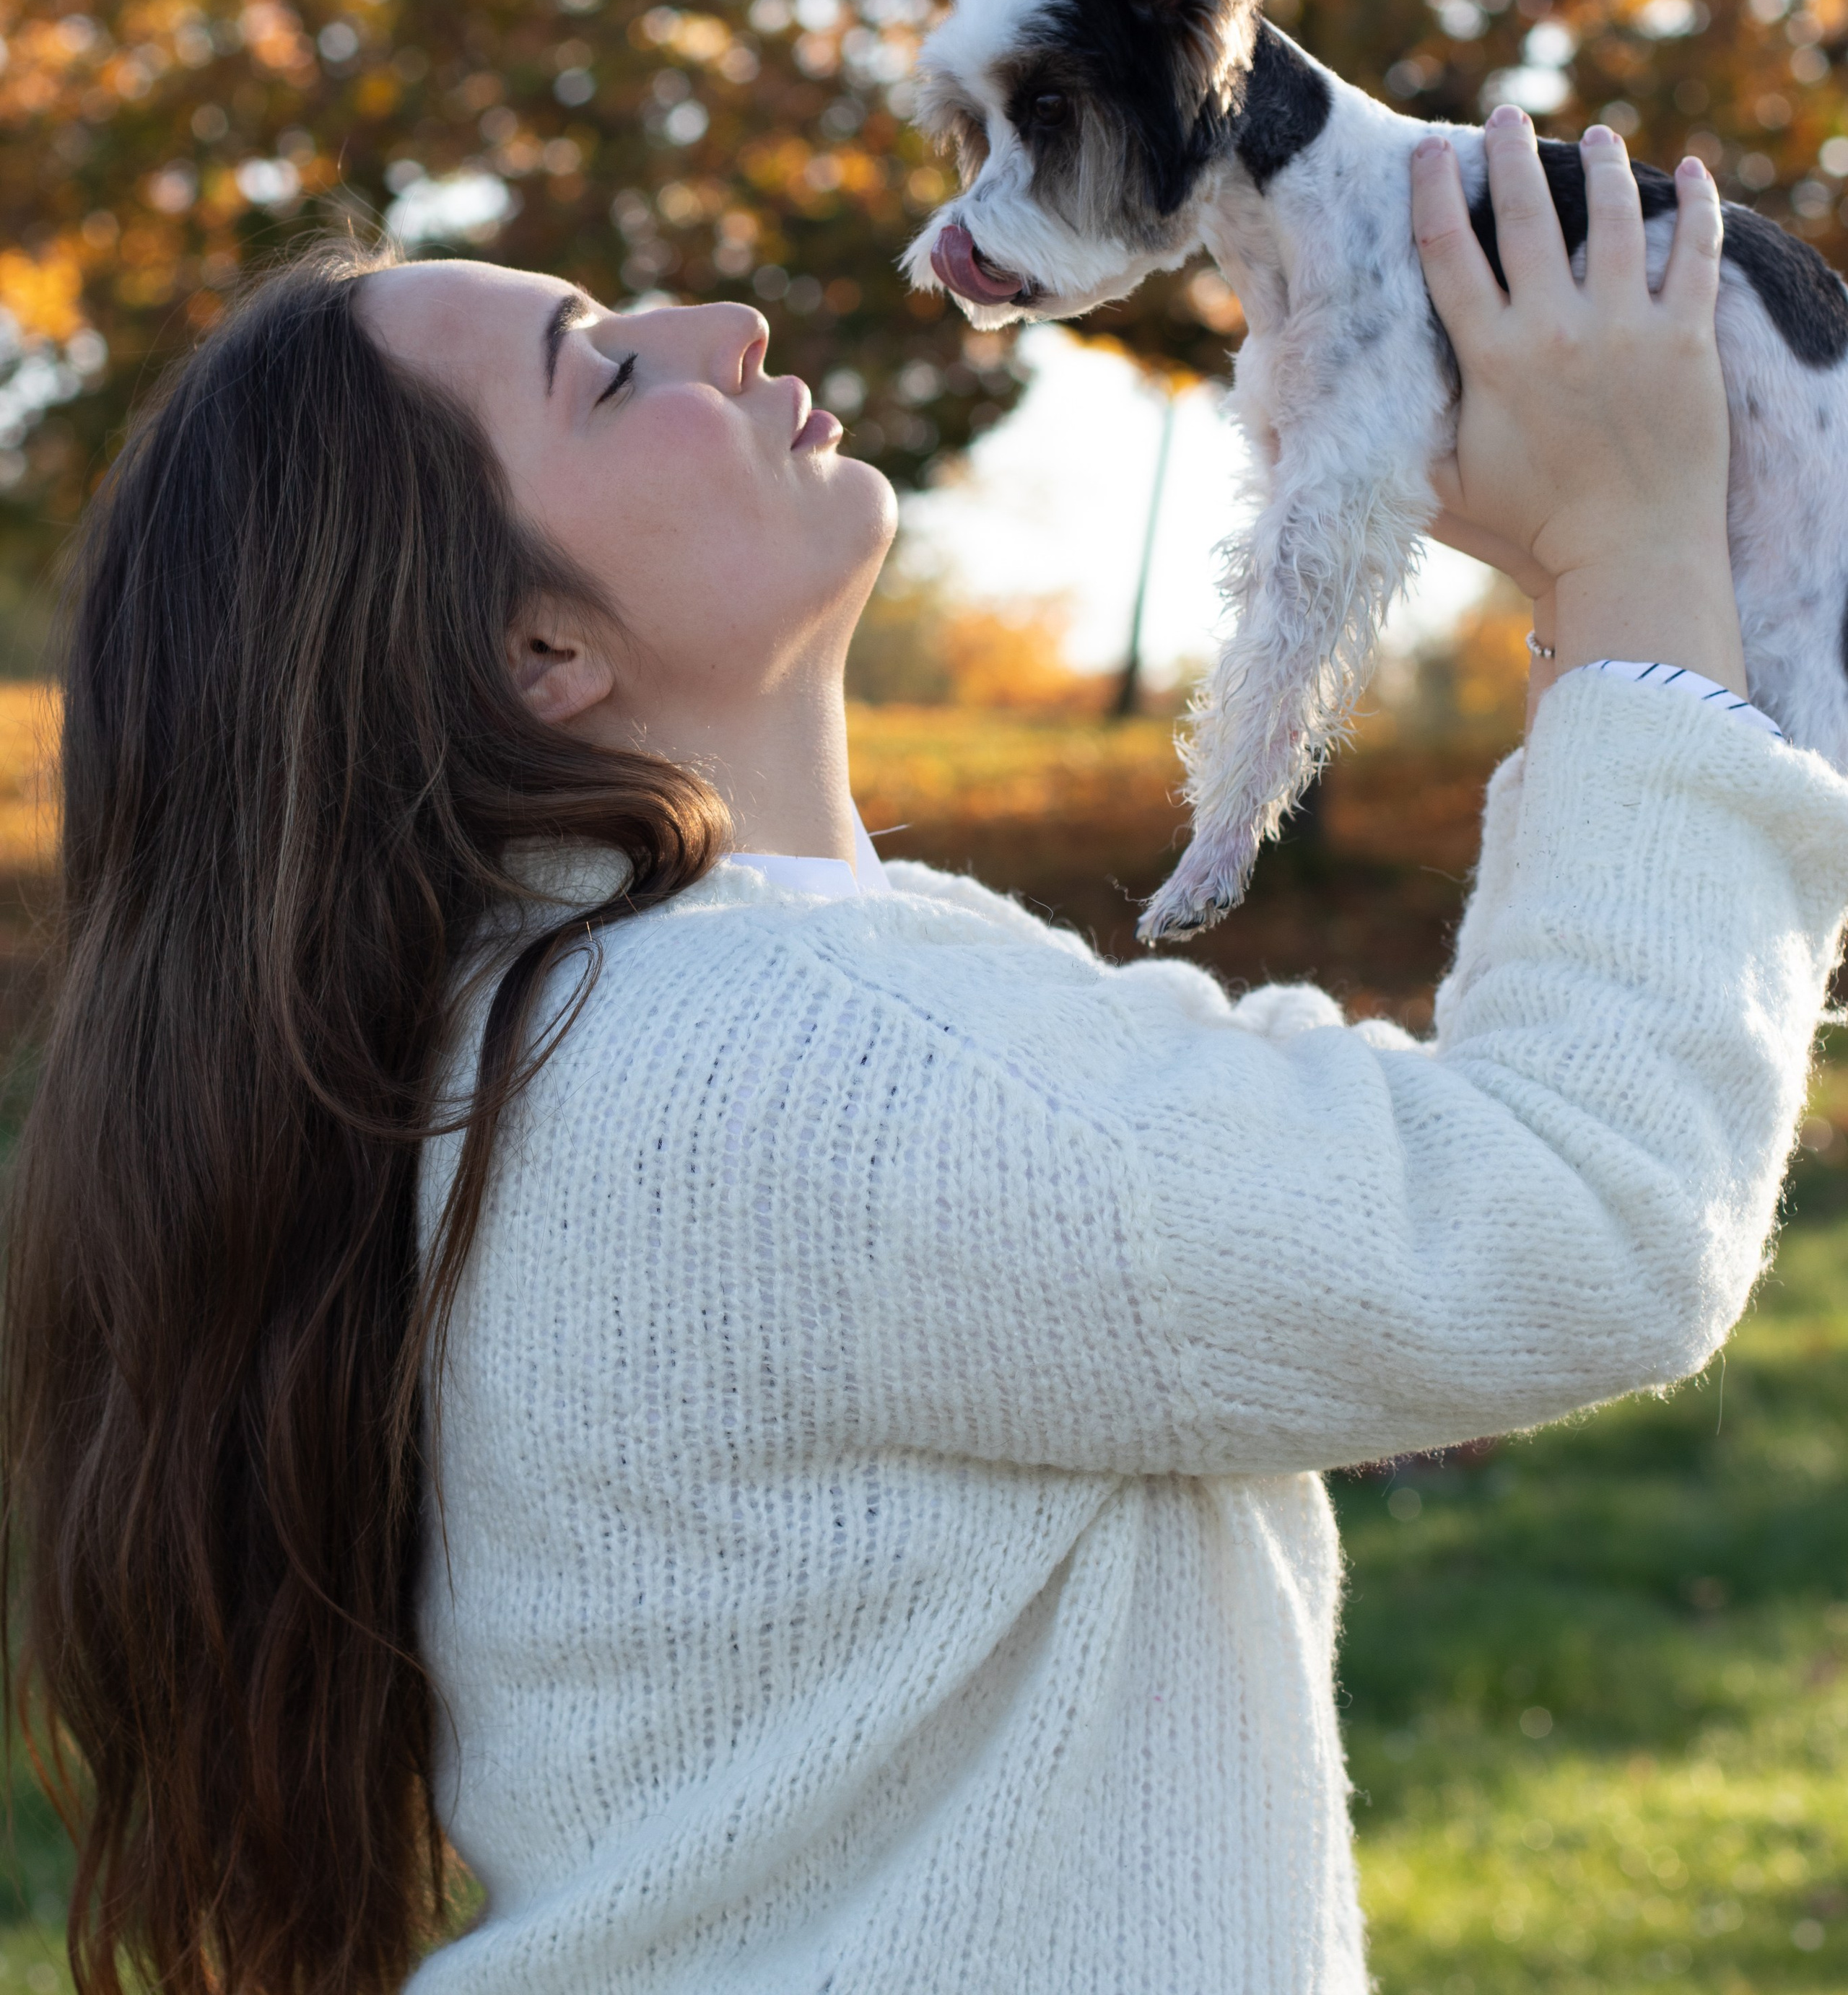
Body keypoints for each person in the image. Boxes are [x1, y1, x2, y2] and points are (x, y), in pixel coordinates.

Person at [5, 106, 1845, 1995]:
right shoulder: (787, 1068)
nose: (719, 326)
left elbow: (1365, 1182)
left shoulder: (634, 1036)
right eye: (605, 374)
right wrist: (1627, 543)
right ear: (539, 653)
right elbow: (1582, 1214)